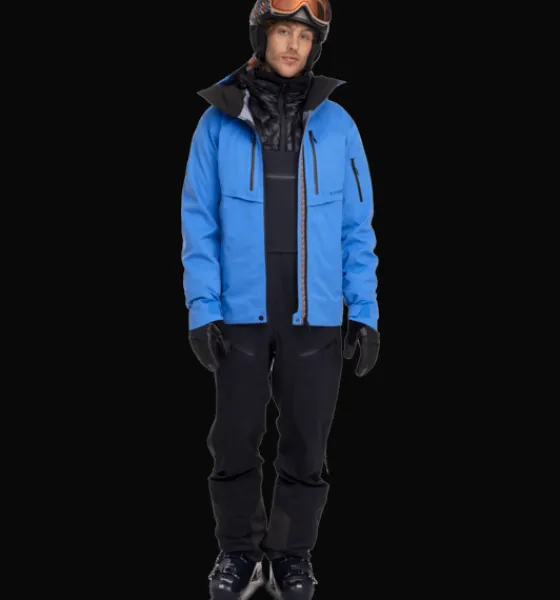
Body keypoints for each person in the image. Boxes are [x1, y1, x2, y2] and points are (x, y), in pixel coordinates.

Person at [181, 1, 380, 598]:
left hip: (313, 315)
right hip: (240, 314)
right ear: (261, 36)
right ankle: (239, 553)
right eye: (282, 31)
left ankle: (292, 555)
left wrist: (364, 311)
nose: (292, 45)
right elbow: (198, 222)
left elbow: (357, 227)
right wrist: (203, 308)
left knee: (307, 441)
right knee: (234, 438)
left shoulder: (338, 124)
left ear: (316, 45)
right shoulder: (217, 122)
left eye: (303, 35)